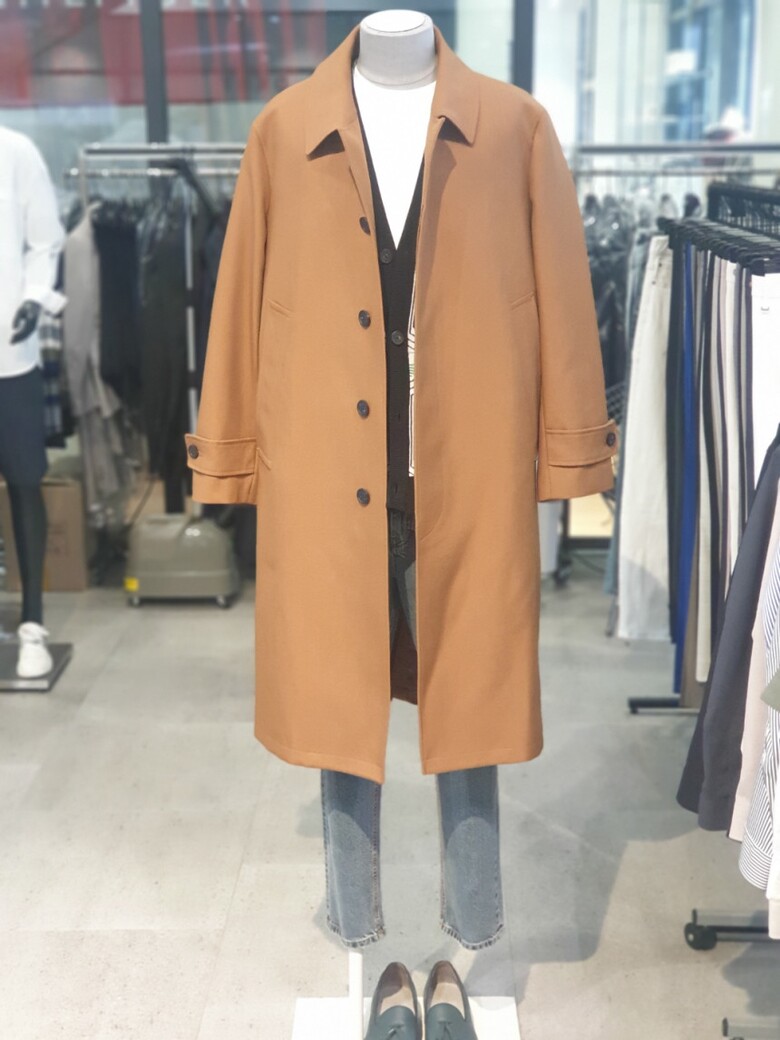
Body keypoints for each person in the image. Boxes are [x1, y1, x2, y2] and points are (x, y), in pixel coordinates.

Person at [0, 126, 65, 678]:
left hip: (9, 356)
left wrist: (33, 298)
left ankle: (33, 623)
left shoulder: (14, 152)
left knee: (24, 483)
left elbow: (46, 239)